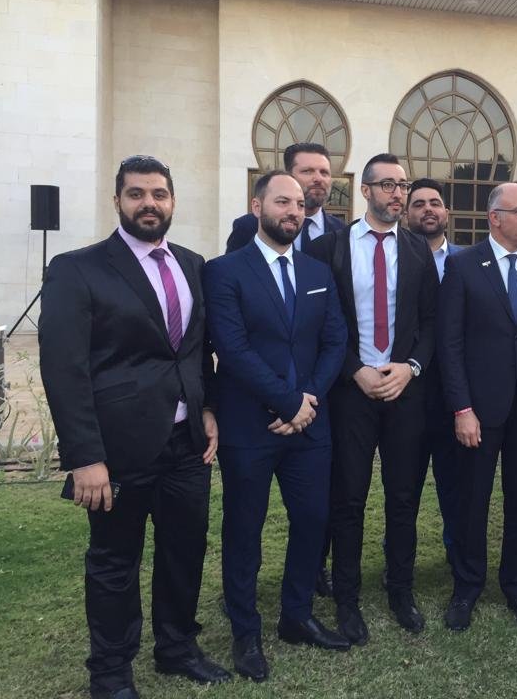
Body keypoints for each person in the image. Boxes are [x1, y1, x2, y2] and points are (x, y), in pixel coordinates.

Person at [39, 155, 231, 698]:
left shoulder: (192, 264)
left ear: (172, 201)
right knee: (113, 564)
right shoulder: (78, 269)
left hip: (186, 445)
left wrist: (208, 408)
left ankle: (177, 648)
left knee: (184, 551)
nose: (149, 203)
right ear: (118, 201)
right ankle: (110, 673)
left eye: (159, 194)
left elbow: (198, 351)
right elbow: (64, 369)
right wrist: (85, 457)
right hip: (117, 450)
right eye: (137, 194)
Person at [204, 170, 349, 683]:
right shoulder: (224, 272)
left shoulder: (317, 272)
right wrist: (288, 402)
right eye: (282, 201)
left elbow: (335, 341)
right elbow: (232, 348)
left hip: (310, 425)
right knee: (245, 529)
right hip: (249, 427)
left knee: (312, 521)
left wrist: (307, 400)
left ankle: (296, 616)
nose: (294, 211)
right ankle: (246, 631)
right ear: (257, 206)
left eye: (300, 204)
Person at [307, 154, 439, 642]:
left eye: (402, 185)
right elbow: (321, 323)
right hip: (352, 392)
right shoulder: (329, 248)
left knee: (403, 497)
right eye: (387, 185)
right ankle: (347, 598)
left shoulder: (418, 249)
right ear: (365, 190)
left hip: (404, 390)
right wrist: (353, 371)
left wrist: (411, 367)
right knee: (348, 498)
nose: (397, 193)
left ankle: (400, 590)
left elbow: (431, 322)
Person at [438, 182, 517, 632]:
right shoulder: (463, 265)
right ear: (495, 218)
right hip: (479, 409)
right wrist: (461, 408)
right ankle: (467, 586)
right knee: (472, 500)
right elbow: (450, 343)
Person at [405, 178, 463, 558]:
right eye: (419, 203)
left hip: (455, 395)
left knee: (456, 484)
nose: (428, 209)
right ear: (406, 214)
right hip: (408, 392)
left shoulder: (467, 262)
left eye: (435, 203)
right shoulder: (394, 260)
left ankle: (458, 555)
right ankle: (399, 558)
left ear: (446, 213)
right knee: (404, 486)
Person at [225, 142, 345, 254]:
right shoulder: (249, 226)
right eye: (308, 171)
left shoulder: (342, 231)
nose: (318, 178)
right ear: (288, 176)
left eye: (324, 172)